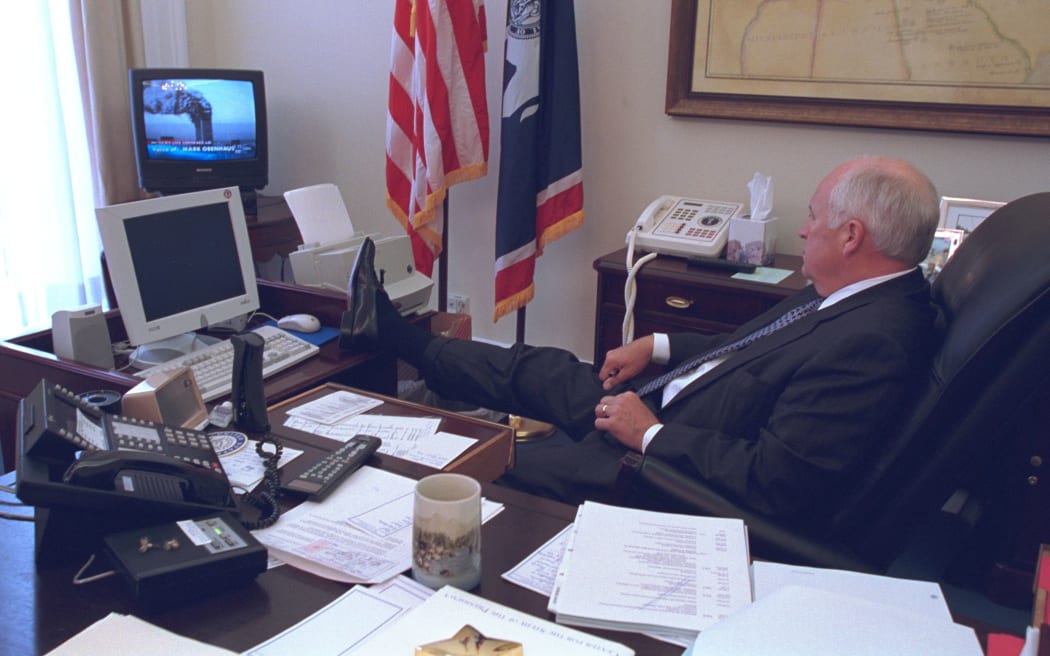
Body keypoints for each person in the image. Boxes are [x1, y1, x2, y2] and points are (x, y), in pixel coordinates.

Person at [344, 156, 942, 526]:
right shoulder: (848, 293)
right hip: (667, 407)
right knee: (538, 366)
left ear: (851, 236)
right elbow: (746, 348)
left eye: (813, 217)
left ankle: (371, 491)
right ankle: (398, 339)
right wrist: (656, 344)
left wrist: (649, 433)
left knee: (491, 458)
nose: (805, 229)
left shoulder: (873, 342)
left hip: (662, 467)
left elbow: (777, 481)